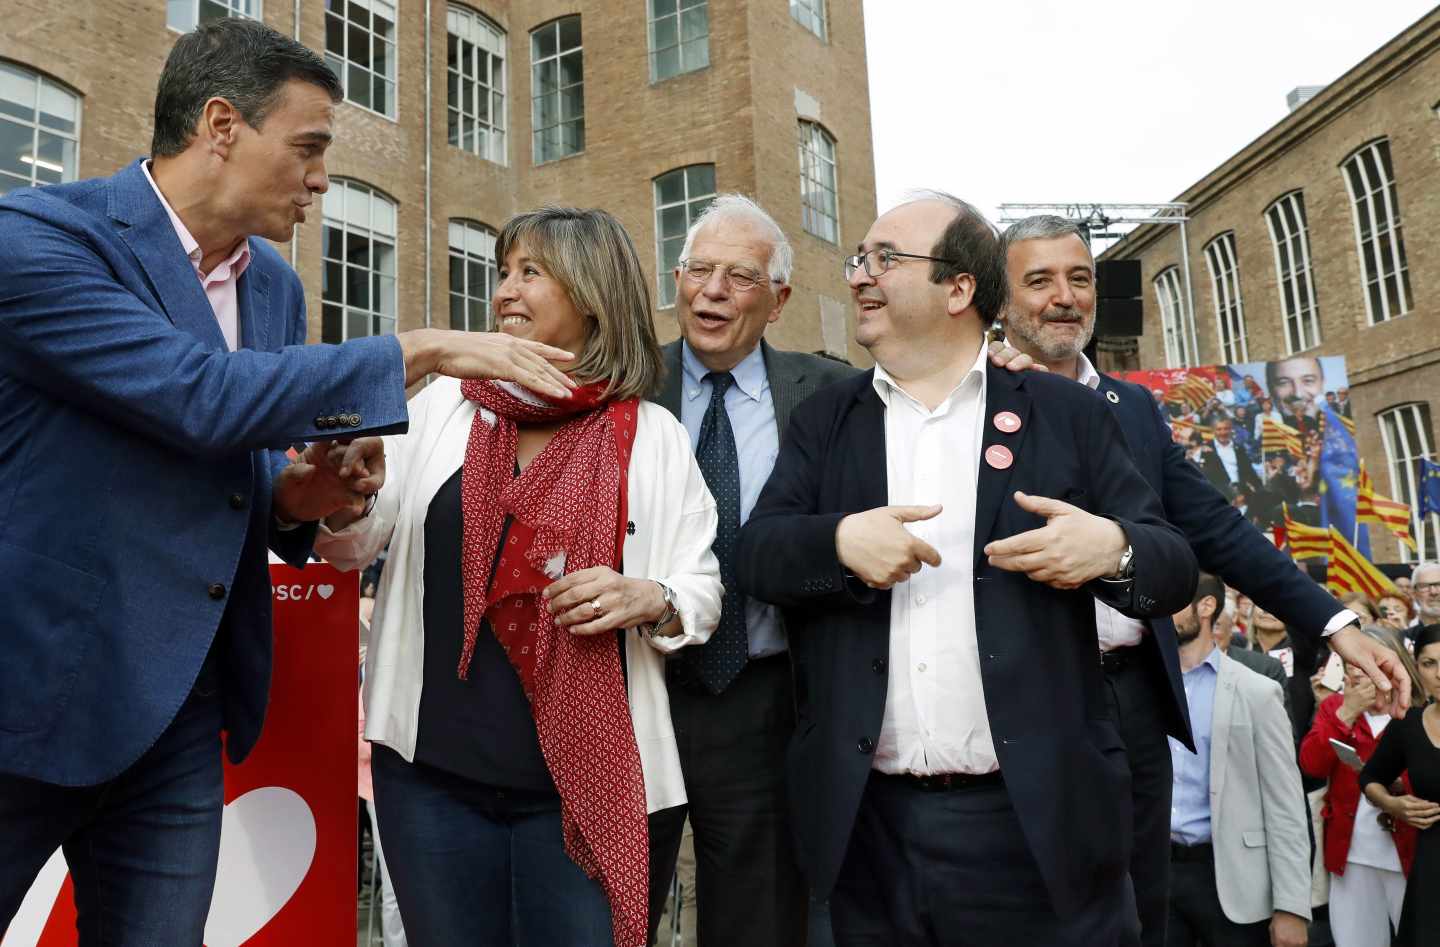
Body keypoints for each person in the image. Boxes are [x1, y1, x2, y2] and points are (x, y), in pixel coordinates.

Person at [0, 20, 583, 944]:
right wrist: (418, 348)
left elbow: (243, 471)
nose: (322, 179)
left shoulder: (273, 285)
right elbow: (198, 397)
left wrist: (306, 494)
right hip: (27, 695)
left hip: (182, 712)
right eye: (309, 148)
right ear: (221, 126)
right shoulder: (38, 241)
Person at [735, 192, 1199, 945]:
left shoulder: (1065, 414)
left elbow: (1173, 563)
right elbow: (756, 555)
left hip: (1036, 830)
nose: (860, 275)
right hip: (869, 833)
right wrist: (840, 545)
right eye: (861, 257)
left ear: (959, 290)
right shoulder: (826, 420)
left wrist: (1109, 548)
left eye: (887, 258)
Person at [988, 214, 1405, 947]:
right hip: (1023, 702)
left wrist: (1339, 625)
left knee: (1141, 917)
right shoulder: (969, 402)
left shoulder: (1134, 408)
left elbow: (1221, 531)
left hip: (1136, 700)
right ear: (1000, 298)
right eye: (1040, 280)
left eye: (1078, 278)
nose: (1064, 296)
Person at [314, 206, 723, 947]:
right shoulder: (442, 405)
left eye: (531, 272)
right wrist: (353, 492)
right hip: (431, 781)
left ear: (593, 294)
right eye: (504, 272)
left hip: (586, 793)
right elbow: (350, 546)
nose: (505, 290)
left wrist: (649, 596)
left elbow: (700, 588)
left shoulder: (653, 436)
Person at [645, 194, 855, 947]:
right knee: (611, 911)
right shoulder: (626, 384)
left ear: (779, 299)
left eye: (739, 276)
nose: (711, 291)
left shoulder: (831, 397)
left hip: (767, 701)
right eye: (698, 269)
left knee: (759, 922)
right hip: (637, 691)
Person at [1167, 574, 1311, 947]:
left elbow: (1285, 805)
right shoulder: (1143, 685)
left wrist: (1291, 907)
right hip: (1156, 874)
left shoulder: (1257, 692)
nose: (1158, 610)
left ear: (1206, 607)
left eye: (1172, 601)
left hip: (1232, 879)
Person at [1300, 626, 1423, 947]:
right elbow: (1311, 764)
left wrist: (1395, 785)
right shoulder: (1336, 707)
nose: (1355, 672)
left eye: (1364, 663)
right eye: (1350, 664)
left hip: (1409, 853)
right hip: (1351, 855)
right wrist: (1347, 713)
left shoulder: (1418, 711)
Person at [1360, 624, 1440, 946]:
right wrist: (1392, 804)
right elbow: (1369, 777)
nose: (1439, 673)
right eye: (1429, 663)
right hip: (1432, 875)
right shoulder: (1409, 725)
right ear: (1415, 668)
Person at [1200, 418, 1262, 501]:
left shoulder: (1239, 448)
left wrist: (1259, 488)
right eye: (1219, 429)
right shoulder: (1206, 449)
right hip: (1220, 494)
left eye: (1226, 429)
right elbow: (1205, 475)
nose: (1223, 432)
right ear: (1213, 431)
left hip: (1242, 492)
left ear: (1231, 430)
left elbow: (1249, 470)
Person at [1409, 563, 1440, 627]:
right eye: (1424, 586)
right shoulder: (1403, 633)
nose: (1433, 592)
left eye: (1439, 584)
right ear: (1413, 594)